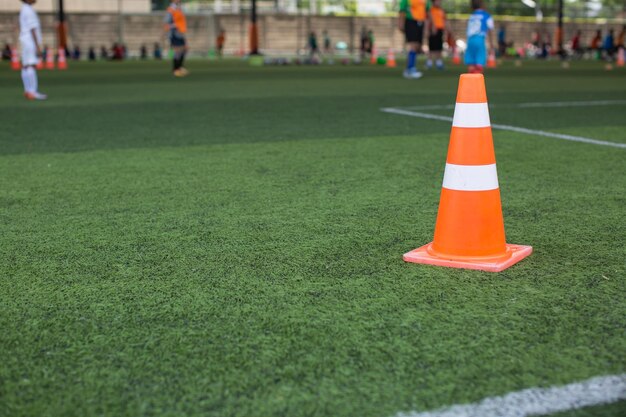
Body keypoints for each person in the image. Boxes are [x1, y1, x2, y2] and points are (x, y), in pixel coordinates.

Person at [19, 0, 46, 100]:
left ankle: (27, 90)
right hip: (30, 41)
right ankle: (33, 91)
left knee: (26, 65)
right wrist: (37, 46)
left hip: (25, 40)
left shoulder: (24, 9)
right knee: (31, 65)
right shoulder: (29, 11)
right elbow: (33, 29)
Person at [398, 0, 430, 79]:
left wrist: (426, 28)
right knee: (413, 45)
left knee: (417, 46)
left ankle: (410, 68)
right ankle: (410, 69)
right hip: (410, 21)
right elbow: (402, 11)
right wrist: (401, 23)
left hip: (420, 22)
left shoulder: (426, 1)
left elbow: (427, 13)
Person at [464, 0, 494, 74]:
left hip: (470, 40)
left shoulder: (472, 16)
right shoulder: (486, 15)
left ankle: (471, 77)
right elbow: (490, 30)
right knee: (479, 60)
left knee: (471, 61)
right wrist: (491, 44)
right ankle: (477, 76)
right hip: (479, 39)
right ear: (482, 4)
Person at [164, 0, 188, 77]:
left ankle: (180, 67)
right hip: (175, 33)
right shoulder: (171, 9)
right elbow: (166, 22)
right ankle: (176, 69)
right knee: (178, 51)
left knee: (184, 49)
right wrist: (175, 26)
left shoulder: (178, 8)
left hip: (180, 33)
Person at [426, 0, 448, 70]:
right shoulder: (430, 10)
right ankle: (429, 62)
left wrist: (446, 31)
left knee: (439, 46)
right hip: (432, 30)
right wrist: (428, 30)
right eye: (437, 1)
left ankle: (439, 62)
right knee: (431, 46)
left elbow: (445, 21)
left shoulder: (442, 11)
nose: (439, 2)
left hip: (440, 30)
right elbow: (427, 20)